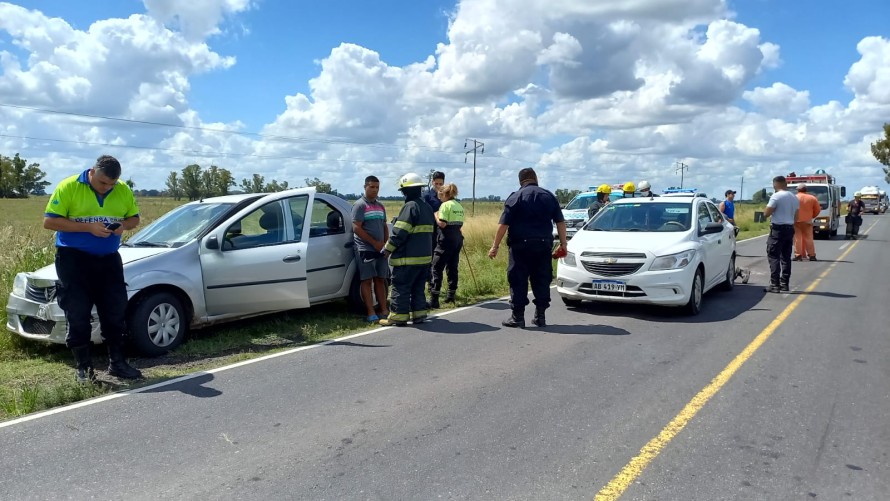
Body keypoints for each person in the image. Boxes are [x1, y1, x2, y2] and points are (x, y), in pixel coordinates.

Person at [44, 155, 143, 382]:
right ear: (92, 172)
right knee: (77, 313)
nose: (107, 188)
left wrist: (122, 227)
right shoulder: (69, 186)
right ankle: (84, 369)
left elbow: (134, 219)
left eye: (112, 184)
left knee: (114, 311)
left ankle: (117, 363)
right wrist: (88, 228)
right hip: (74, 260)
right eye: (102, 183)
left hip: (108, 259)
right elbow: (49, 222)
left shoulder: (123, 189)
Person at [489, 168, 567, 328]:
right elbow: (560, 222)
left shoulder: (515, 197)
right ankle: (540, 316)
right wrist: (563, 244)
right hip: (543, 246)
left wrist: (495, 246)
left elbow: (503, 224)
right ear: (535, 178)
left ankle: (518, 317)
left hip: (520, 247)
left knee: (518, 279)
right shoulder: (549, 196)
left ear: (520, 181)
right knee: (542, 279)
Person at [380, 173, 436, 326]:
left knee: (401, 287)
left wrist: (387, 250)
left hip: (407, 259)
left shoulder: (409, 207)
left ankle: (398, 317)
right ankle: (419, 315)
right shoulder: (427, 207)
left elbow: (399, 233)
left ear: (405, 191)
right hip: (424, 258)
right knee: (418, 288)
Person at [351, 175, 390, 323]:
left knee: (381, 279)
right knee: (366, 280)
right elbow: (356, 228)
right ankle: (370, 311)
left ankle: (384, 309)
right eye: (372, 187)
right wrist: (374, 243)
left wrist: (385, 244)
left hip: (380, 249)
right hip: (365, 248)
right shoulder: (360, 205)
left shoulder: (380, 206)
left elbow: (384, 225)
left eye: (377, 187)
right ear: (365, 187)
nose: (374, 190)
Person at [430, 183, 465, 308]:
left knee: (436, 267)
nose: (439, 198)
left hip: (446, 238)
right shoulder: (459, 206)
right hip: (457, 237)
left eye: (440, 195)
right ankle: (451, 295)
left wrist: (435, 215)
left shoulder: (444, 205)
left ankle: (434, 299)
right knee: (452, 267)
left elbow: (442, 224)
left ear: (445, 194)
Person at [763, 175, 800, 293]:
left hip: (778, 229)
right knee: (786, 257)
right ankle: (785, 283)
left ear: (775, 184)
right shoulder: (794, 197)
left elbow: (766, 213)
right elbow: (796, 216)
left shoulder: (776, 196)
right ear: (786, 184)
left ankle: (775, 284)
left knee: (773, 256)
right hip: (789, 228)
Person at [423, 171, 445, 293]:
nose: (438, 186)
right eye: (436, 183)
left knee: (439, 259)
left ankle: (437, 285)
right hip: (430, 230)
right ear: (432, 182)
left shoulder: (446, 196)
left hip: (443, 231)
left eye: (440, 183)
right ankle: (430, 285)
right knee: (430, 258)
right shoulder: (427, 196)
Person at [793, 183, 821, 261]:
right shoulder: (812, 198)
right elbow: (818, 210)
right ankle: (812, 255)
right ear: (806, 190)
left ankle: (798, 255)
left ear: (798, 190)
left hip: (796, 221)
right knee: (809, 238)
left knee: (797, 239)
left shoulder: (794, 198)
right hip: (807, 221)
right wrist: (812, 216)